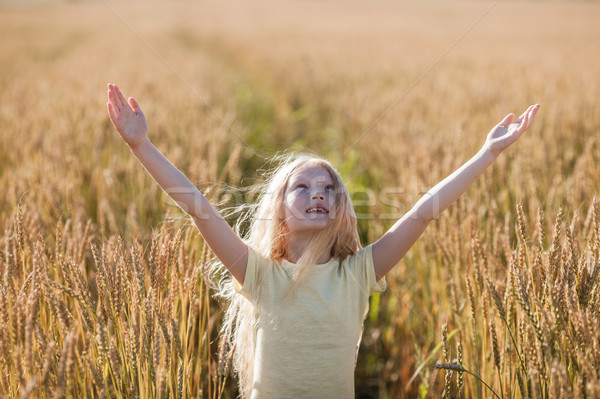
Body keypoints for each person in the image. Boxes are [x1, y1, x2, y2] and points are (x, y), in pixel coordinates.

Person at [106, 83, 539, 398]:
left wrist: (488, 154)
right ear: (278, 210)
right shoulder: (260, 274)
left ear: (339, 209)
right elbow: (198, 207)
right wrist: (142, 145)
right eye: (303, 187)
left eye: (330, 188)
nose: (319, 193)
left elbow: (424, 211)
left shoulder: (358, 274)